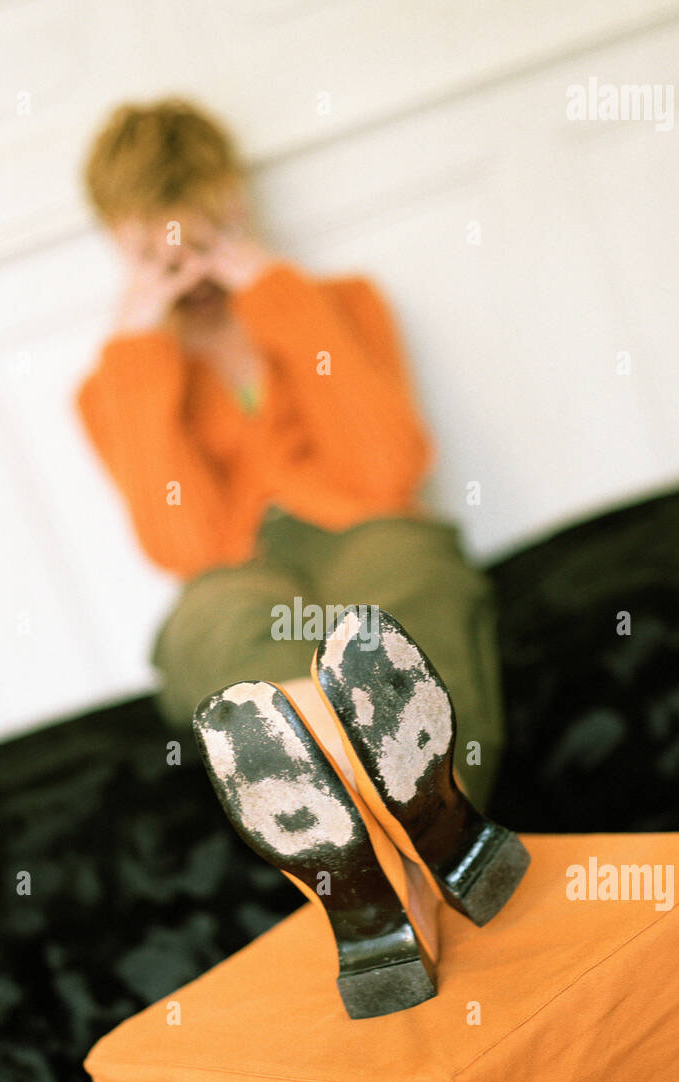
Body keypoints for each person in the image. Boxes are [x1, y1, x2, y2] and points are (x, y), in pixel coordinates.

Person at [74, 98, 505, 817]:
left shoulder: (340, 304)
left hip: (364, 532)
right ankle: (364, 834)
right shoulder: (113, 385)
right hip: (240, 571)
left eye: (202, 237)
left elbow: (388, 474)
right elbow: (191, 547)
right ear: (121, 248)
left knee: (401, 584)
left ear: (236, 205)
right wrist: (142, 359)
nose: (189, 271)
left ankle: (435, 821)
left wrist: (282, 302)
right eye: (159, 254)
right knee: (211, 623)